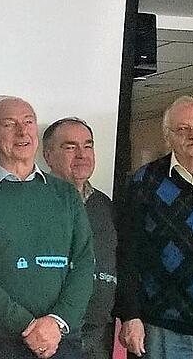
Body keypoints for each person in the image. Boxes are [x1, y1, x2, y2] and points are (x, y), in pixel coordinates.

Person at [0, 95, 94, 359]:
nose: (22, 131)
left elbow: (84, 263)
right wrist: (27, 326)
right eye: (9, 124)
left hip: (63, 340)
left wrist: (56, 322)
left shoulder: (66, 195)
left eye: (29, 122)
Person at [116, 95, 193, 359]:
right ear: (167, 137)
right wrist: (130, 314)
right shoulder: (143, 181)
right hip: (161, 325)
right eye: (182, 129)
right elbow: (127, 253)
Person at [43, 117, 117, 359]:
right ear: (47, 156)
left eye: (88, 145)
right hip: (51, 337)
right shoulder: (34, 202)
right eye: (70, 146)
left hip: (97, 338)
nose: (82, 154)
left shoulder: (104, 205)